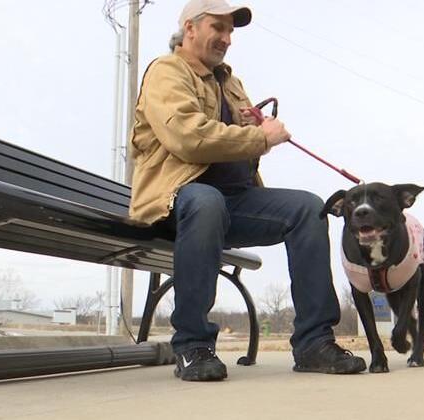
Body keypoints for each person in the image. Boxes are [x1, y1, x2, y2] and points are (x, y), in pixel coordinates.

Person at [129, 0, 366, 381]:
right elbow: (187, 138)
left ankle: (314, 343)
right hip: (176, 200)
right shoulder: (166, 71)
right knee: (206, 202)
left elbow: (241, 142)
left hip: (232, 203)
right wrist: (260, 137)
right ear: (190, 28)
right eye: (217, 29)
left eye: (230, 32)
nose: (226, 39)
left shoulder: (230, 81)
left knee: (307, 208)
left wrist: (250, 121)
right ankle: (193, 345)